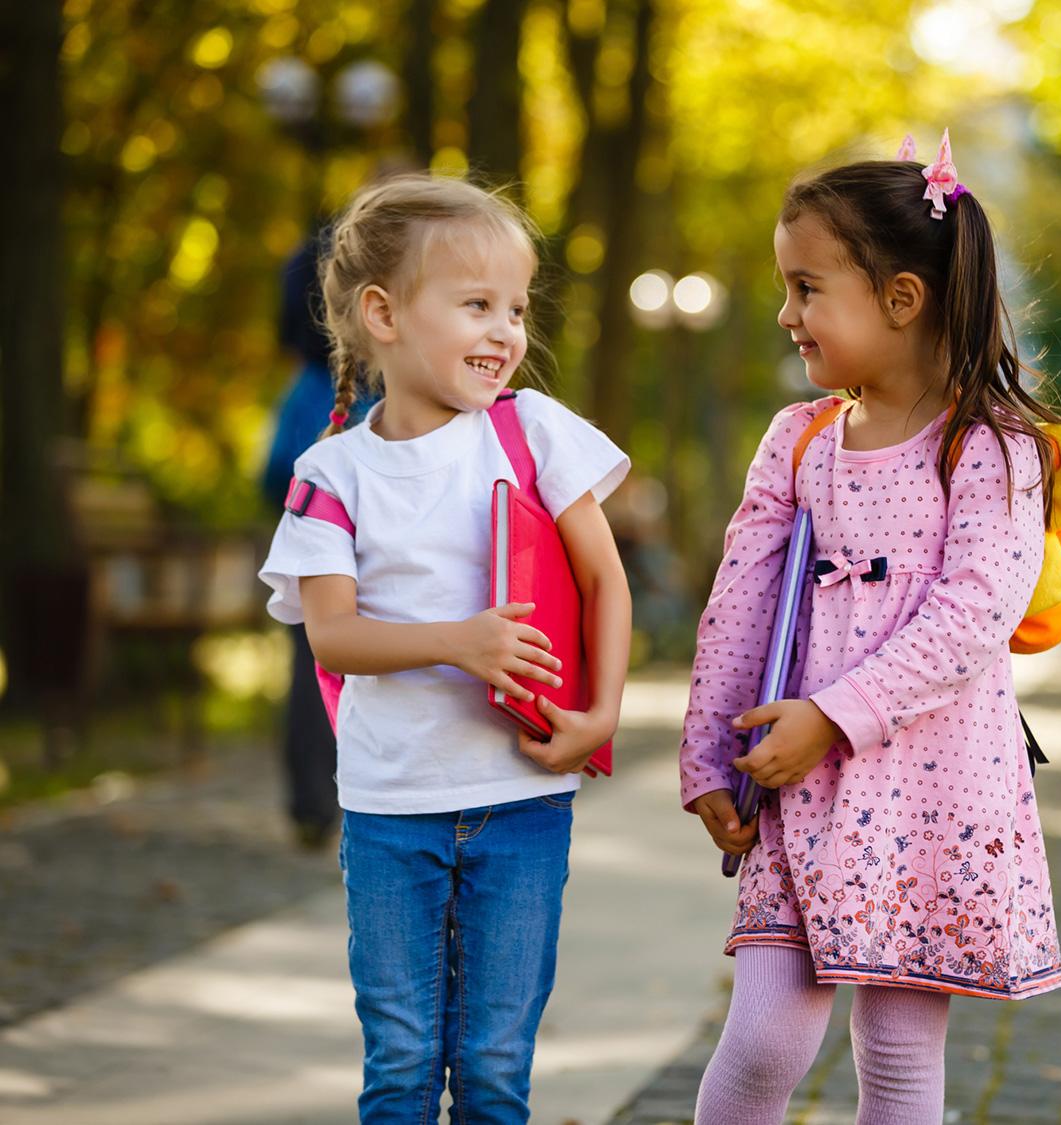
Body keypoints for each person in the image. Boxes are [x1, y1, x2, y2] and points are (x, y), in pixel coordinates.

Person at [680, 132, 1061, 1123]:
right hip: (799, 788)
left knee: (897, 1054)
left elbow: (975, 613)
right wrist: (708, 759)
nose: (786, 314)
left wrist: (835, 711)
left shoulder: (993, 448)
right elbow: (742, 599)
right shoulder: (797, 439)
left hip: (929, 795)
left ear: (902, 298)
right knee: (764, 1038)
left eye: (808, 289)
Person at [257, 173, 631, 1122]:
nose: (507, 330)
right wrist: (459, 642)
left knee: (498, 1068)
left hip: (523, 801)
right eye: (476, 305)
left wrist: (601, 716)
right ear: (383, 313)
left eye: (516, 307)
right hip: (392, 810)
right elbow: (333, 634)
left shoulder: (533, 432)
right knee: (402, 1064)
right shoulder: (332, 471)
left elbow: (604, 580)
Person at [260, 225, 346, 849]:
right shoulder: (390, 397)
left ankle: (312, 803)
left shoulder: (305, 394)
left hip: (307, 542)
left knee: (311, 658)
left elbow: (273, 476)